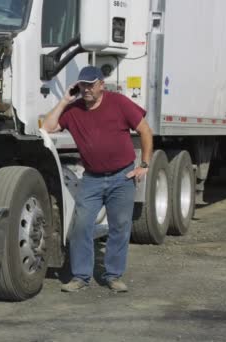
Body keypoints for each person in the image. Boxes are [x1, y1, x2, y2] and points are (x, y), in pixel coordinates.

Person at [42, 66, 153, 293]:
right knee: (81, 226)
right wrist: (64, 100)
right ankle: (81, 277)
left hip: (122, 176)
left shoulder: (119, 103)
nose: (87, 89)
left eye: (91, 84)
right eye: (82, 84)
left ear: (102, 84)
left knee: (119, 227)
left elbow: (145, 130)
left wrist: (144, 164)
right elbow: (46, 127)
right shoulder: (73, 110)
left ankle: (113, 275)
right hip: (91, 178)